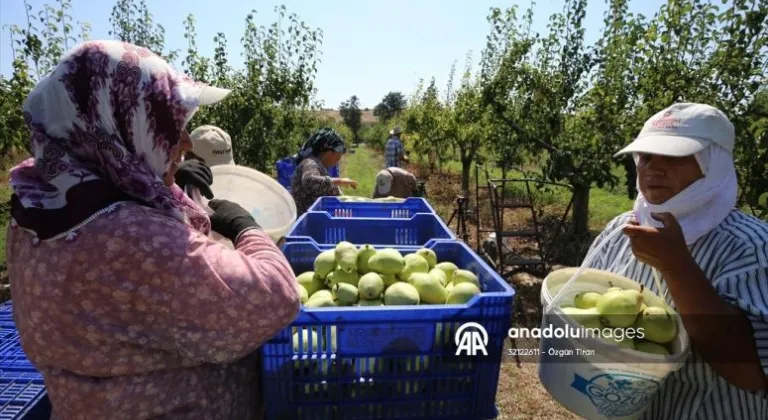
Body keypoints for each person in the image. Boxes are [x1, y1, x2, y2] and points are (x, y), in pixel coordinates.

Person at [5, 40, 301, 420]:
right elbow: (275, 298)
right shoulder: (134, 240)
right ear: (119, 125)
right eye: (167, 125)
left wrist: (175, 186)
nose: (186, 142)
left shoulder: (39, 204)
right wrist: (247, 229)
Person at [584, 103, 768, 419]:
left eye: (675, 156)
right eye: (646, 156)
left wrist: (677, 268)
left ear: (713, 164)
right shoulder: (621, 228)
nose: (653, 167)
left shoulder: (751, 246)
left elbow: (752, 374)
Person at [290, 127, 358, 215]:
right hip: (307, 223)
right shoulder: (310, 163)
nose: (339, 159)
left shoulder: (319, 165)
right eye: (338, 157)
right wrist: (340, 181)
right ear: (329, 152)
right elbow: (309, 182)